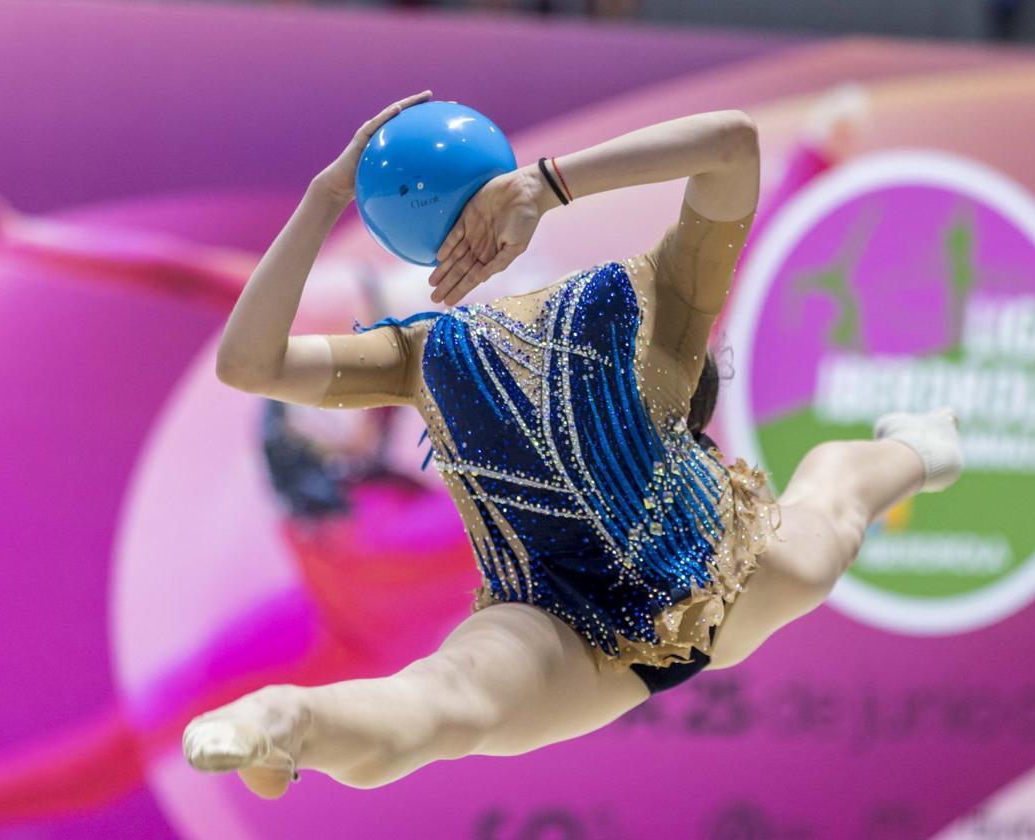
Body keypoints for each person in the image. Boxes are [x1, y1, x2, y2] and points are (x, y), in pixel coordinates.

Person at [184, 89, 963, 798]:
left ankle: (923, 447)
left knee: (832, 507)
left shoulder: (648, 302)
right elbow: (248, 363)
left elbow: (732, 141)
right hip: (558, 622)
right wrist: (327, 196)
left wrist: (546, 184)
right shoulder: (420, 354)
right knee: (445, 703)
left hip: (724, 571)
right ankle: (282, 720)